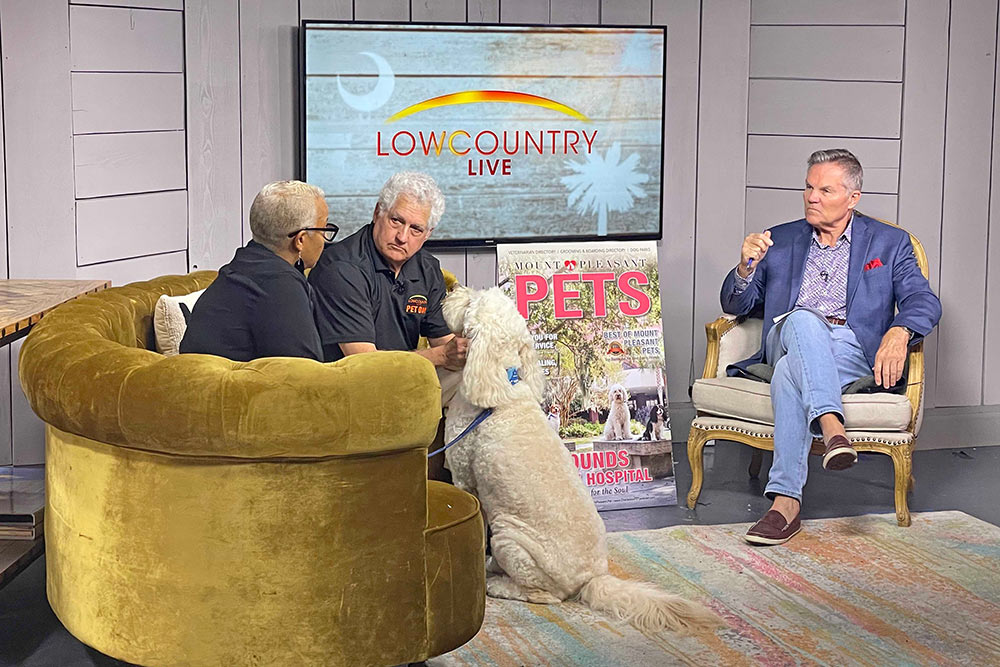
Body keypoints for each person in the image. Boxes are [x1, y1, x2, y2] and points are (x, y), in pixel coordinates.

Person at [720, 149, 941, 546]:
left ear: (853, 197)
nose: (811, 197)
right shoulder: (781, 238)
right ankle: (832, 427)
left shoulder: (889, 243)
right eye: (808, 187)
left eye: (824, 189)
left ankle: (785, 504)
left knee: (791, 374)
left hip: (849, 348)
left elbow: (923, 301)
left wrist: (899, 332)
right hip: (786, 336)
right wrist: (745, 269)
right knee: (804, 319)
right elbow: (737, 307)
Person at [307, 172, 468, 479]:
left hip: (404, 380)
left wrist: (467, 352)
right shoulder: (342, 268)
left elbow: (444, 346)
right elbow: (365, 363)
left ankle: (458, 479)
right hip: (349, 389)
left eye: (415, 228)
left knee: (482, 381)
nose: (402, 237)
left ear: (428, 233)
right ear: (377, 212)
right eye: (396, 221)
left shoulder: (427, 268)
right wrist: (439, 357)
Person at [180, 180, 335, 362]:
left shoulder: (240, 268)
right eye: (324, 229)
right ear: (300, 240)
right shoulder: (280, 287)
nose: (324, 240)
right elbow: (305, 375)